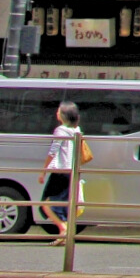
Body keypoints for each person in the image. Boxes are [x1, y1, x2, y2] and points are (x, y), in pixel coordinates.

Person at [37, 102, 84, 240]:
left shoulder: (60, 131)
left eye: (58, 111)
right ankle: (64, 233)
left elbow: (53, 151)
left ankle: (63, 230)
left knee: (46, 204)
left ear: (63, 115)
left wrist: (43, 171)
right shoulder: (77, 131)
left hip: (60, 172)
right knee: (62, 204)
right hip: (71, 171)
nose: (56, 113)